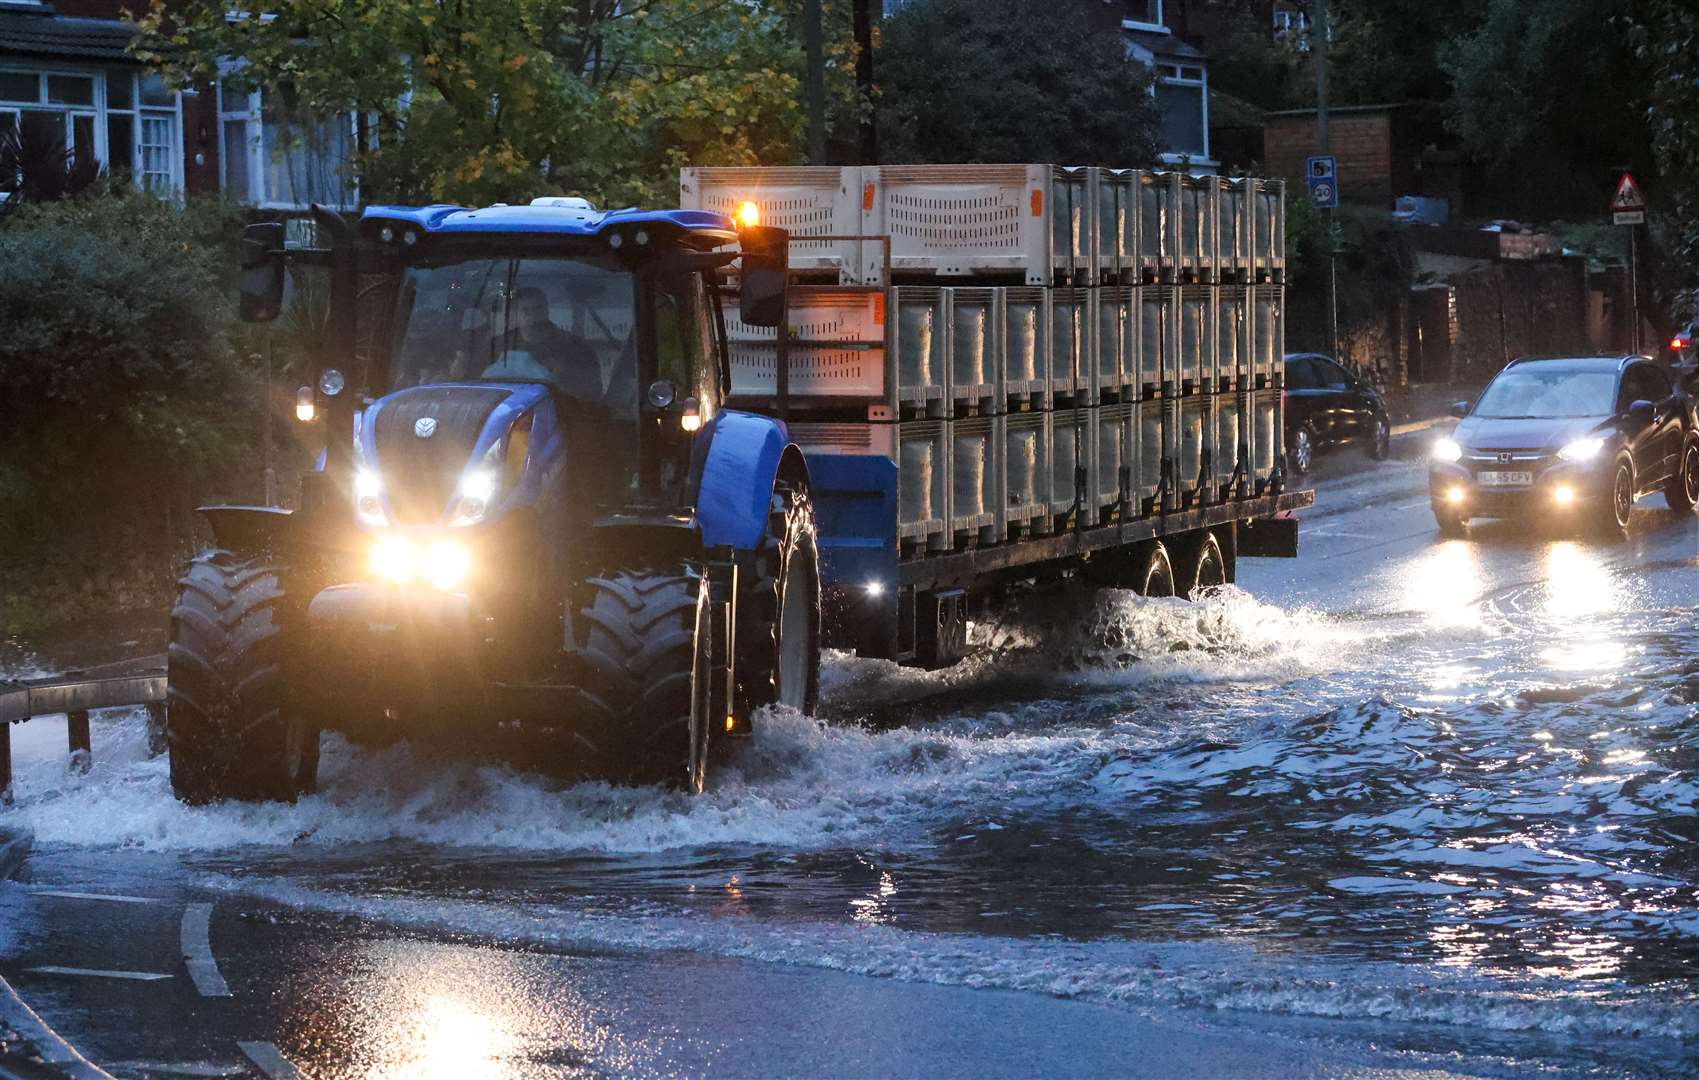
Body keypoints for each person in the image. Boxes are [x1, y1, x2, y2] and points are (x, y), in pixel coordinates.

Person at [478, 286, 603, 403]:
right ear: (516, 314)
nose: (533, 316)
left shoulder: (576, 349)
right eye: (525, 311)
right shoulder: (498, 346)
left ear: (547, 309)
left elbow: (591, 398)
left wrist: (562, 380)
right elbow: (476, 388)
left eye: (539, 308)